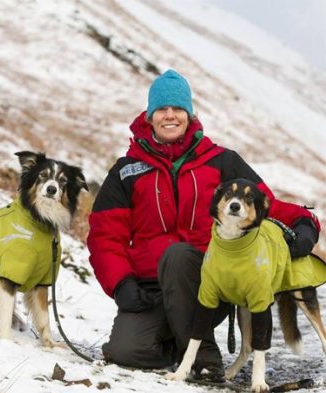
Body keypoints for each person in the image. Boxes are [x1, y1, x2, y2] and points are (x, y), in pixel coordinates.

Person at [87, 70, 320, 378]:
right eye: (161, 109)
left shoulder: (222, 160)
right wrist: (121, 283)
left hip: (211, 282)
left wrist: (304, 222)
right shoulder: (126, 170)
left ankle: (204, 358)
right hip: (149, 289)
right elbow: (105, 236)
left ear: (189, 114)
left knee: (178, 255)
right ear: (149, 116)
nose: (170, 116)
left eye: (178, 109)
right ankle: (176, 341)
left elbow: (263, 204)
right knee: (127, 352)